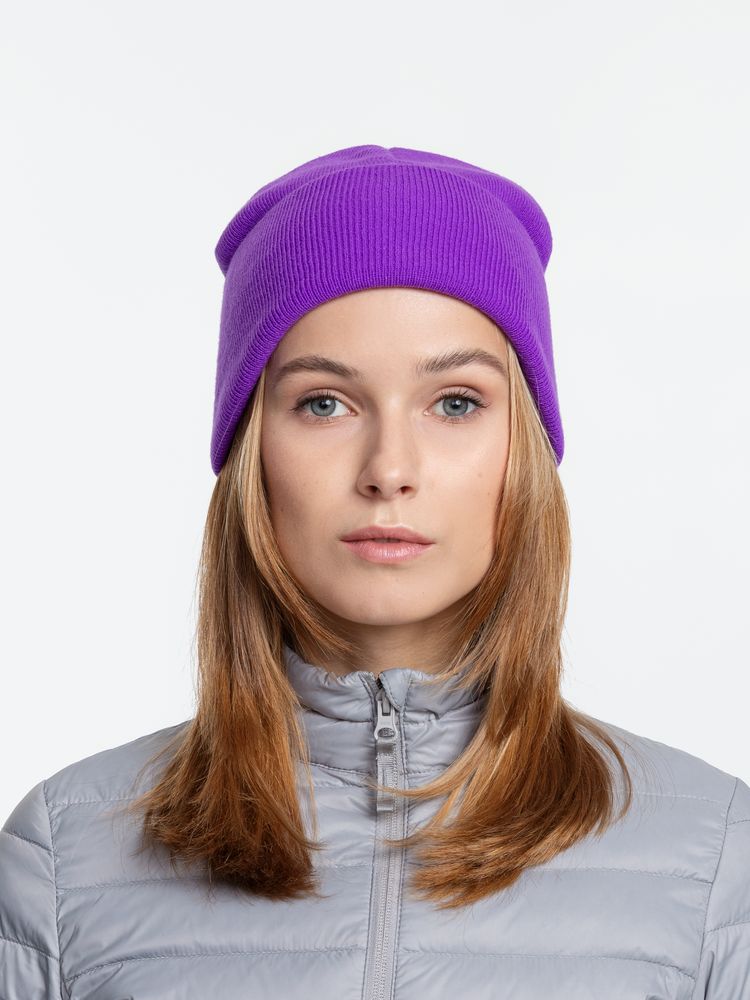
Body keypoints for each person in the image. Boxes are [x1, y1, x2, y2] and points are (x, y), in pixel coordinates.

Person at [1, 144, 747, 1000]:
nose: (390, 468)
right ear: (252, 452)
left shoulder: (716, 865)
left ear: (524, 450)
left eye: (455, 403)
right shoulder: (63, 865)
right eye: (324, 403)